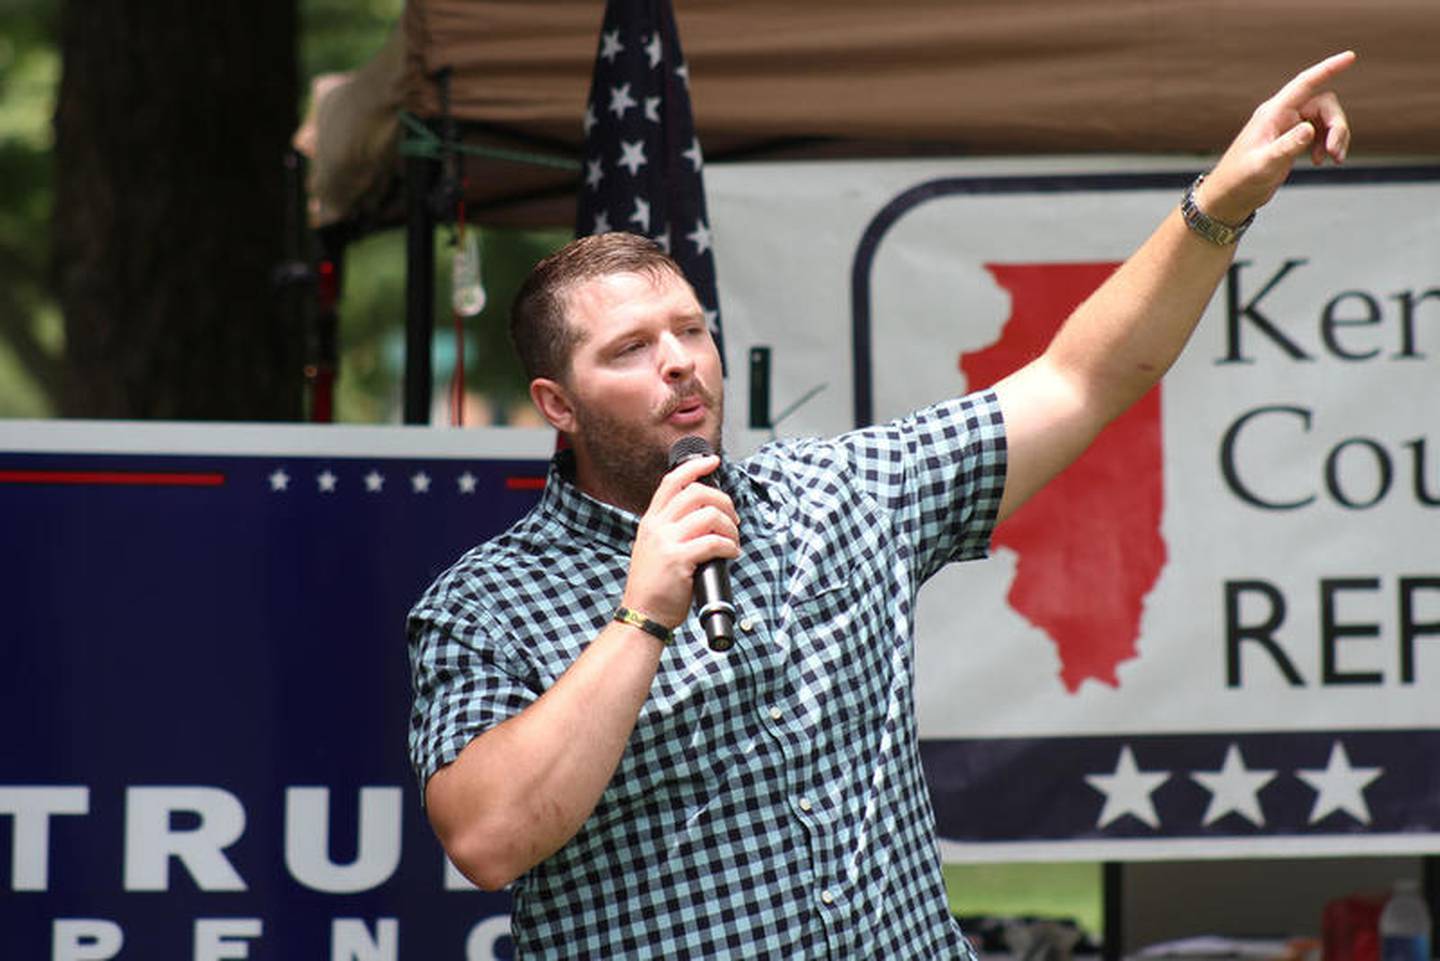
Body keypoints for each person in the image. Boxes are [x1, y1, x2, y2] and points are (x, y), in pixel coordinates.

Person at [407, 51, 1355, 958]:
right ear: (557, 407)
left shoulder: (838, 493)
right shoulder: (485, 602)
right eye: (629, 349)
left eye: (691, 329)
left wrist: (1222, 201)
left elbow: (1083, 379)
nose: (680, 361)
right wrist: (641, 614)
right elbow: (488, 840)